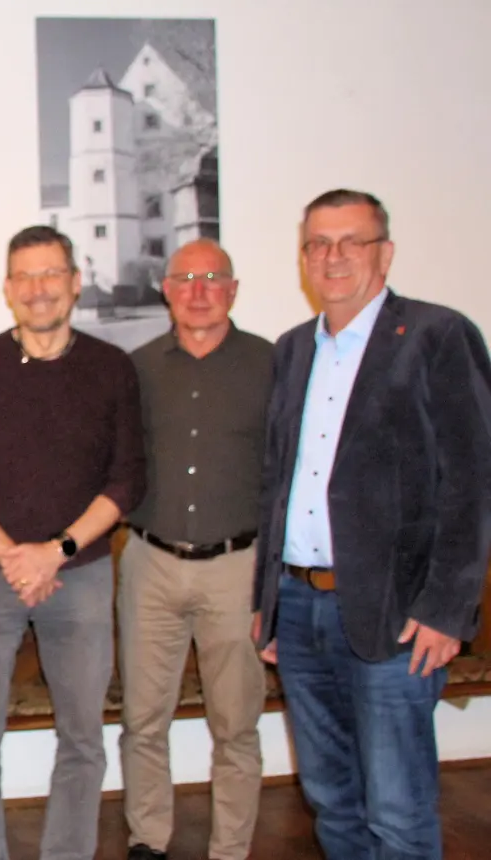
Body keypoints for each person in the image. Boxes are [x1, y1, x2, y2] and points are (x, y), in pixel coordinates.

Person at [253, 189, 491, 860]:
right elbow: (278, 481)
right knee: (330, 798)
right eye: (318, 244)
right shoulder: (293, 349)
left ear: (384, 253)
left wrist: (448, 608)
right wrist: (266, 604)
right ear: (303, 259)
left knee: (396, 809)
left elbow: (473, 482)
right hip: (299, 607)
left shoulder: (436, 336)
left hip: (396, 612)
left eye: (350, 241)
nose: (333, 257)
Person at [0, 224, 144, 860]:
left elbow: (128, 479)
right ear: (6, 289)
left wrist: (55, 551)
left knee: (82, 737)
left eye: (51, 274)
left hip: (78, 574)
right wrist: (10, 555)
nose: (38, 289)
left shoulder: (111, 368)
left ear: (75, 284)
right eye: (24, 276)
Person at [120, 240, 272, 860]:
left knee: (235, 725)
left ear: (233, 289)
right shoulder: (135, 367)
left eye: (213, 278)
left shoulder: (273, 364)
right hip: (149, 562)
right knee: (142, 720)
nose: (199, 290)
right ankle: (147, 838)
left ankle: (230, 848)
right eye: (186, 278)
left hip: (238, 567)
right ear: (166, 288)